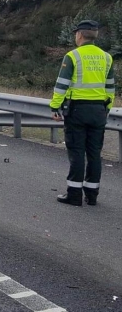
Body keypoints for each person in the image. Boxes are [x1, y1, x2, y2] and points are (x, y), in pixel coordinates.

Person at [49, 20, 115, 206]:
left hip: (77, 110)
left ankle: (74, 194)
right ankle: (92, 195)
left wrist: (55, 107)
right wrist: (106, 109)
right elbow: (111, 88)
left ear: (79, 35)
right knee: (94, 153)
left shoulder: (72, 56)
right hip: (99, 111)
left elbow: (61, 85)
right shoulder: (107, 57)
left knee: (77, 152)